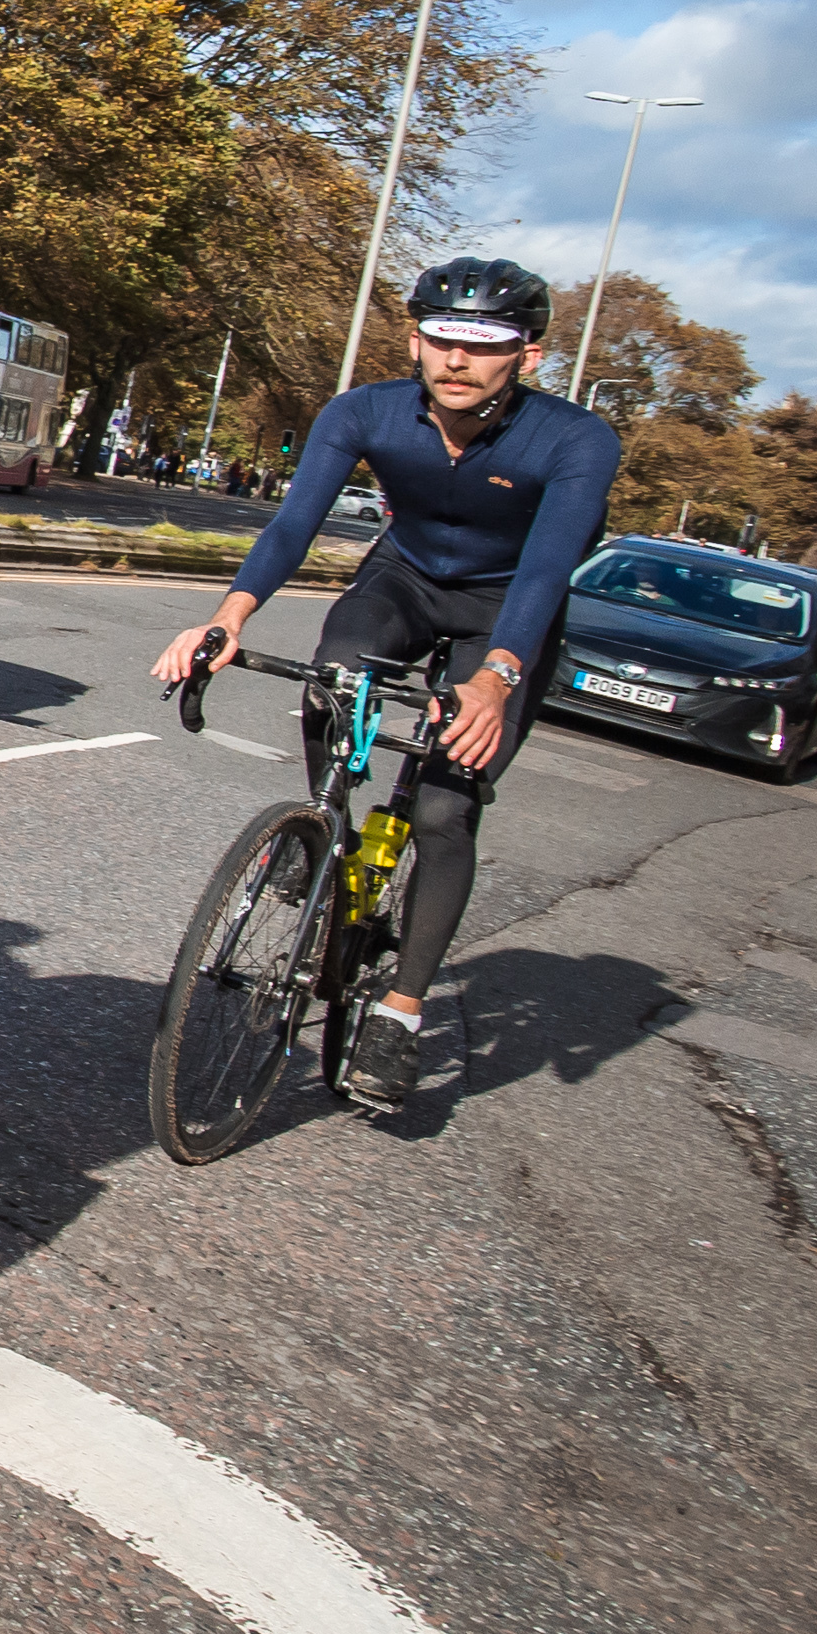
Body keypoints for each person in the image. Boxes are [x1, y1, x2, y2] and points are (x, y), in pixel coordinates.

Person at [148, 256, 618, 1110]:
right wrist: (228, 618)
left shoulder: (575, 440)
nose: (456, 361)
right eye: (441, 340)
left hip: (504, 610)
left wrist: (496, 682)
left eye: (483, 346)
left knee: (444, 805)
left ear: (530, 355)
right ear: (415, 340)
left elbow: (549, 569)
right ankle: (326, 827)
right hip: (401, 577)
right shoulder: (363, 411)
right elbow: (295, 521)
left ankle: (398, 1015)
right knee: (334, 669)